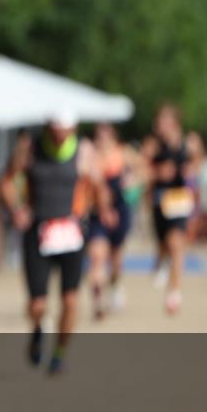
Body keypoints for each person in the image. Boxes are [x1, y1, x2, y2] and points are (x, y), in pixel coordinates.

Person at [0, 112, 112, 374]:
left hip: (71, 232)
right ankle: (38, 330)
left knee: (70, 300)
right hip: (38, 231)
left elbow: (99, 185)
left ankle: (60, 352)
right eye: (58, 129)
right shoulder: (31, 147)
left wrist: (100, 207)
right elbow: (7, 181)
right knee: (38, 304)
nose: (63, 135)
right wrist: (17, 209)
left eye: (68, 129)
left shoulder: (83, 150)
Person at [142, 103, 197, 315]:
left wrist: (189, 170)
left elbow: (197, 164)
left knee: (176, 244)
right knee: (164, 243)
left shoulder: (188, 143)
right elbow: (142, 169)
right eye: (158, 121)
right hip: (159, 202)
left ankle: (174, 292)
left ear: (174, 123)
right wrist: (157, 173)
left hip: (179, 201)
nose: (159, 125)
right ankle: (161, 263)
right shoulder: (152, 145)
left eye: (164, 121)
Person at [85, 123, 133, 318]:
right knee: (97, 257)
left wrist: (133, 179)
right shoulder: (90, 157)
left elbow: (144, 169)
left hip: (120, 211)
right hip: (97, 214)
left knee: (116, 259)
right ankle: (98, 300)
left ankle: (115, 284)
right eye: (99, 136)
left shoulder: (123, 153)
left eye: (106, 135)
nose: (103, 140)